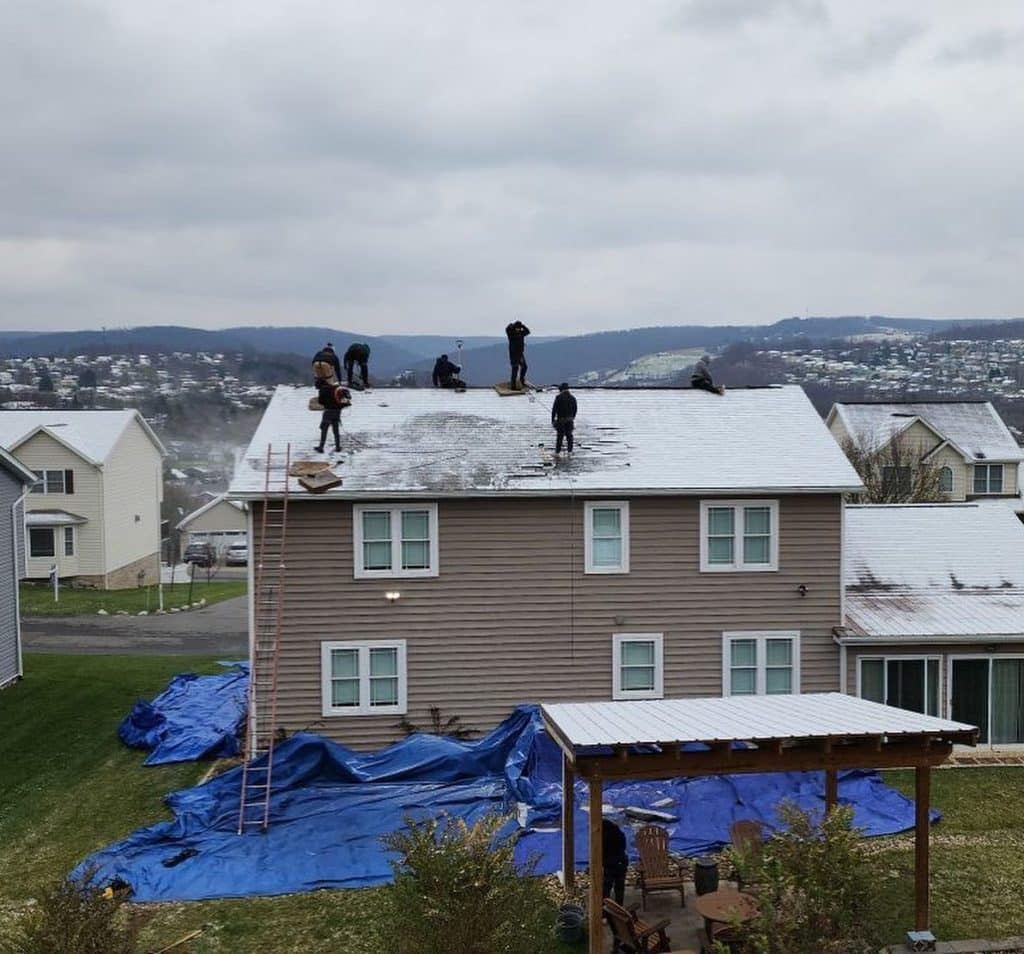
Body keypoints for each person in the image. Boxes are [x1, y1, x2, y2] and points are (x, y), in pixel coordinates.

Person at [314, 379, 349, 453]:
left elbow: (321, 401)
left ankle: (321, 447)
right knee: (336, 430)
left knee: (324, 429)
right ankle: (338, 447)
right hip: (337, 411)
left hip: (328, 412)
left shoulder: (322, 390)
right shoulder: (335, 388)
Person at [601, 818, 628, 906]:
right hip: (621, 862)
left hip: (610, 863)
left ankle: (605, 907)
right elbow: (623, 847)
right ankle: (619, 906)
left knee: (606, 886)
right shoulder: (620, 833)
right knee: (619, 887)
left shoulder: (604, 836)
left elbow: (602, 850)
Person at [551, 382, 577, 454]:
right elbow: (575, 410)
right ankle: (570, 451)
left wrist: (553, 420)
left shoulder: (558, 397)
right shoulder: (573, 398)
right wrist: (572, 418)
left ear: (561, 389)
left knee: (560, 436)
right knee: (569, 436)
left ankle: (557, 452)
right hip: (570, 420)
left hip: (561, 420)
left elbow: (554, 410)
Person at [505, 320, 530, 389]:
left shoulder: (521, 333)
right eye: (517, 328)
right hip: (514, 354)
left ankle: (521, 380)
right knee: (515, 368)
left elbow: (528, 331)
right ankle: (513, 386)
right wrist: (513, 325)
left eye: (519, 328)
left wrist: (522, 326)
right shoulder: (511, 333)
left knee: (524, 367)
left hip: (520, 354)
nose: (518, 329)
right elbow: (507, 329)